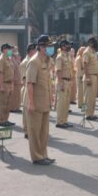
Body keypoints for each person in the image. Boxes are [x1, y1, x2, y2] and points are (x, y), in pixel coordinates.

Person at [25, 35, 55, 165]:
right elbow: (30, 84)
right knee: (35, 131)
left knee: (44, 132)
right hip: (35, 102)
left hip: (45, 101)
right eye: (49, 46)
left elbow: (48, 80)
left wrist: (52, 96)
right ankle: (37, 157)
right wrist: (31, 102)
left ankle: (43, 154)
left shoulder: (47, 60)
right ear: (42, 47)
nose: (51, 48)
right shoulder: (34, 61)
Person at [55, 40, 73, 128]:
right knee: (61, 103)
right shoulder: (59, 57)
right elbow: (58, 71)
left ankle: (65, 120)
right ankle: (59, 122)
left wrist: (71, 80)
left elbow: (70, 69)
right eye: (67, 45)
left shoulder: (68, 56)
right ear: (63, 46)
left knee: (66, 103)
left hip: (68, 81)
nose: (69, 46)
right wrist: (61, 83)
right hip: (62, 81)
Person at [0, 43, 15, 127]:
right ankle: (2, 120)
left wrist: (11, 84)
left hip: (9, 83)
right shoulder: (1, 59)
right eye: (9, 49)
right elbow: (0, 73)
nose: (11, 51)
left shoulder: (9, 59)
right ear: (4, 49)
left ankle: (6, 119)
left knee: (8, 104)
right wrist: (2, 85)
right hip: (4, 83)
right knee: (3, 104)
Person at [20, 43, 36, 138]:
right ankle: (27, 131)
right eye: (35, 50)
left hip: (32, 88)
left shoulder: (33, 61)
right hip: (27, 88)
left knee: (32, 111)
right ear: (30, 51)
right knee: (26, 111)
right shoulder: (25, 62)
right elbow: (25, 79)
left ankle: (31, 130)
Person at [82, 37, 98, 120]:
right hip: (89, 76)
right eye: (94, 42)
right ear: (90, 43)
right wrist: (88, 77)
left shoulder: (93, 51)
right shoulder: (87, 52)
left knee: (92, 97)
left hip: (94, 76)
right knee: (87, 97)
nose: (96, 43)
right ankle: (85, 113)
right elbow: (84, 65)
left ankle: (91, 114)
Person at [10, 46, 22, 112]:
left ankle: (17, 107)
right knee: (14, 96)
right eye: (14, 50)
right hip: (14, 81)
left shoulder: (15, 59)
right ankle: (13, 107)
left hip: (17, 81)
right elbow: (11, 70)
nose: (16, 51)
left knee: (17, 96)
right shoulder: (11, 58)